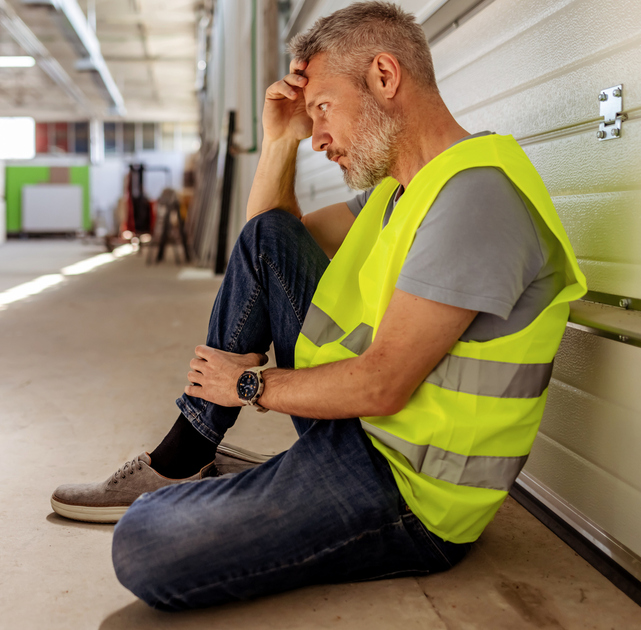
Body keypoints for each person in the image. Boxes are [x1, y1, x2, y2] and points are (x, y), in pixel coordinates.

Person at [51, 1, 587, 611]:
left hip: (412, 493)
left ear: (385, 77)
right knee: (271, 238)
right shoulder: (401, 190)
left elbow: (384, 385)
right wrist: (279, 141)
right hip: (362, 433)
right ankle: (190, 453)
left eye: (323, 109)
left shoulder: (475, 198)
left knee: (144, 542)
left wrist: (250, 385)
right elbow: (265, 243)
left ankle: (221, 475)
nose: (320, 138)